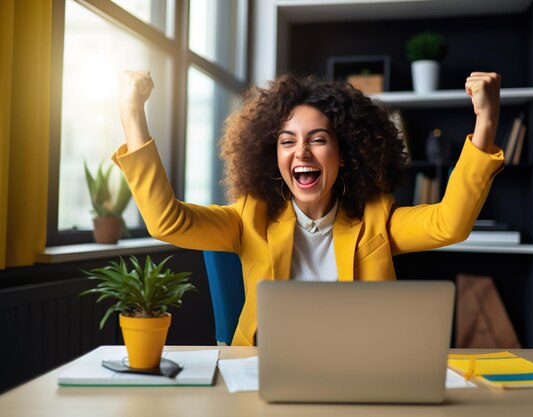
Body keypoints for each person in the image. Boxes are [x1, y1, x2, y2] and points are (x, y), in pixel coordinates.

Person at [113, 71, 504, 346]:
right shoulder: (248, 218)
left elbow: (450, 223)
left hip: (362, 368)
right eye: (287, 142)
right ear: (273, 156)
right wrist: (133, 114)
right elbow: (168, 222)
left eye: (317, 140)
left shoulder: (377, 219)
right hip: (262, 369)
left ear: (345, 154)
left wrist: (486, 118)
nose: (301, 152)